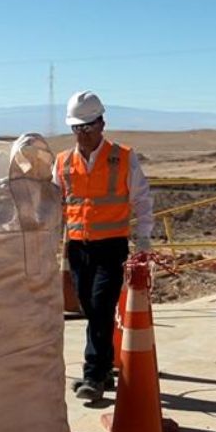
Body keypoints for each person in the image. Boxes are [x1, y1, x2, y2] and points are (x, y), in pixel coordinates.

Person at [55, 91, 154, 403]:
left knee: (100, 307)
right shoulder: (62, 162)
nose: (82, 134)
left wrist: (144, 239)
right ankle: (106, 369)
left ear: (101, 123)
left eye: (87, 126)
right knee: (91, 308)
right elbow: (53, 204)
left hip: (111, 246)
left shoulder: (123, 157)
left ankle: (93, 374)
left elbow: (141, 198)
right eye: (77, 128)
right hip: (78, 248)